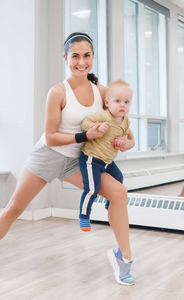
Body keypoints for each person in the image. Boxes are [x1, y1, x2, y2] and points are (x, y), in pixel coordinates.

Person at [0, 32, 136, 286]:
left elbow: (126, 131)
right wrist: (86, 135)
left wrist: (124, 143)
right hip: (47, 156)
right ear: (65, 58)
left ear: (93, 58)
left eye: (86, 56)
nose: (81, 62)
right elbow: (52, 137)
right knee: (14, 207)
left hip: (78, 160)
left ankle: (124, 258)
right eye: (75, 56)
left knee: (119, 192)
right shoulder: (58, 92)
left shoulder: (102, 92)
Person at [78, 80, 133, 232]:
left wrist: (122, 141)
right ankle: (83, 215)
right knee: (91, 189)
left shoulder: (125, 121)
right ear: (107, 103)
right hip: (92, 159)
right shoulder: (104, 116)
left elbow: (125, 138)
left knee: (119, 179)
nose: (122, 105)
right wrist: (96, 127)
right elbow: (85, 122)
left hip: (108, 161)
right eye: (118, 101)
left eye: (126, 102)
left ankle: (109, 203)